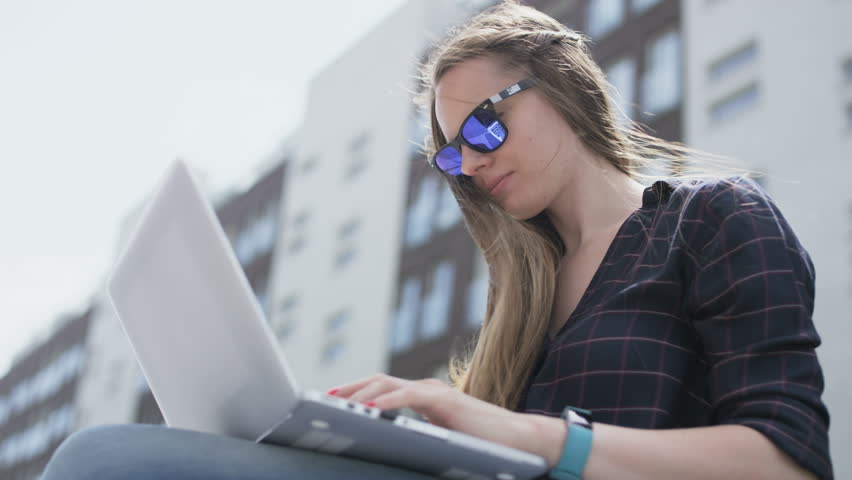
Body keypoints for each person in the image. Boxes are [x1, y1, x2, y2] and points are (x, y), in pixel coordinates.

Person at [43, 1, 832, 479]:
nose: (475, 162)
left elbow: (785, 462)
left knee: (104, 463)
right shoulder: (522, 292)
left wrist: (525, 433)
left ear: (563, 84)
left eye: (487, 124)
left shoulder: (710, 218)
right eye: (454, 153)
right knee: (111, 459)